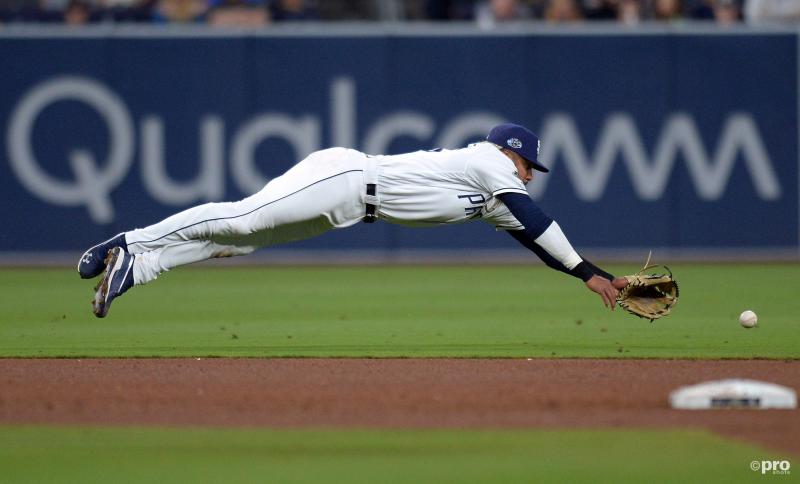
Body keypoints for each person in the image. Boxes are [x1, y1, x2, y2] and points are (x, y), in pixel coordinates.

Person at [79, 123, 627, 318]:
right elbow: (536, 216)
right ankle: (128, 240)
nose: (531, 176)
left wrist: (592, 275)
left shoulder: (494, 197)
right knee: (243, 220)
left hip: (348, 209)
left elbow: (536, 242)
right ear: (511, 153)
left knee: (241, 244)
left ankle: (140, 267)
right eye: (529, 164)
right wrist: (589, 271)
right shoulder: (488, 159)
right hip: (344, 176)